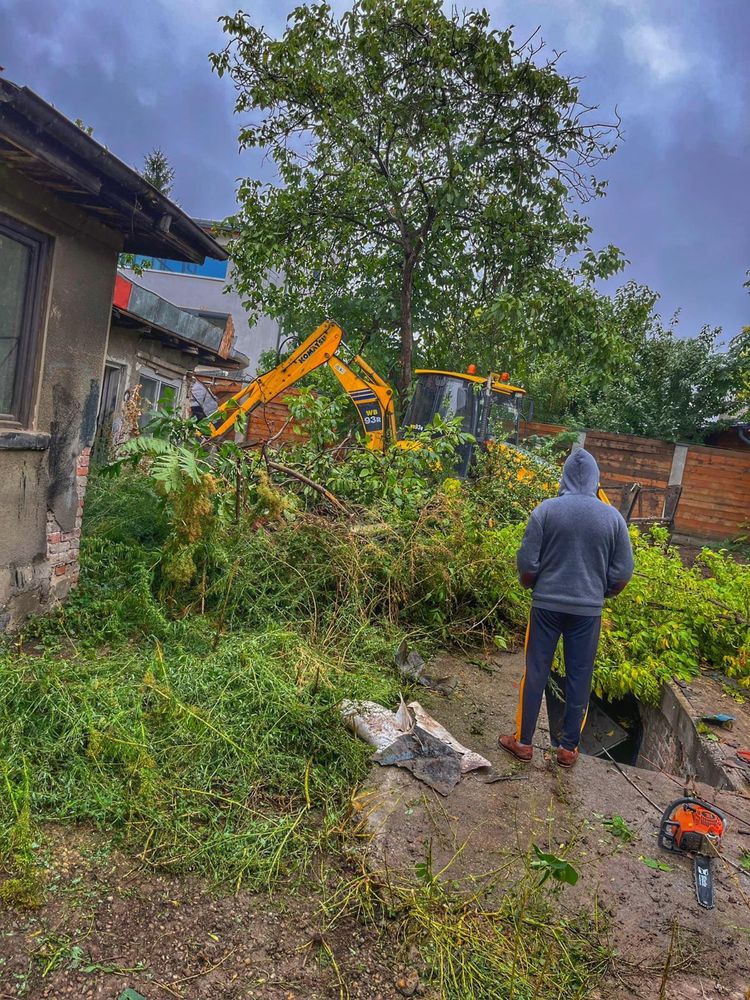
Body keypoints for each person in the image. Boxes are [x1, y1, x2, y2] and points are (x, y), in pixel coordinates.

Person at [499, 448, 634, 768]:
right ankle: (568, 749)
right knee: (579, 676)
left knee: (535, 673)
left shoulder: (545, 511)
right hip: (588, 612)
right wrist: (601, 594)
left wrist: (532, 584)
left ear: (565, 477)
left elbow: (527, 563)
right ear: (595, 479)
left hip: (546, 606)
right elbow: (623, 573)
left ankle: (522, 742)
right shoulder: (612, 518)